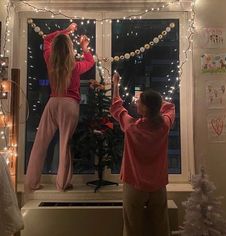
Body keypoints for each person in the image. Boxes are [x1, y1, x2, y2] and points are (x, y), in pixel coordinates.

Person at [25, 23, 95, 192]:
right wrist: (84, 47)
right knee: (64, 144)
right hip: (69, 105)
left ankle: (31, 183)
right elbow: (90, 61)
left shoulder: (50, 59)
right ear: (70, 49)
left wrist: (66, 31)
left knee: (40, 143)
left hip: (53, 102)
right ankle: (62, 184)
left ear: (56, 48)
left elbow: (47, 39)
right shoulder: (75, 66)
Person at [110, 72, 175, 236]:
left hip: (134, 185)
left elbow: (117, 107)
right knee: (161, 227)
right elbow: (170, 107)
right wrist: (156, 101)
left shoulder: (132, 127)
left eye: (140, 102)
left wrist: (116, 84)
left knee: (132, 228)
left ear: (145, 108)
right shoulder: (164, 125)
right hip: (158, 185)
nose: (137, 102)